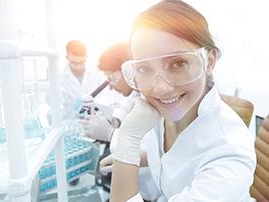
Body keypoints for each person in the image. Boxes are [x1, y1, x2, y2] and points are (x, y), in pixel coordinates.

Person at [110, 1, 256, 201]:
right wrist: (138, 158)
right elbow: (177, 158)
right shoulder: (165, 112)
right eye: (144, 68)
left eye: (178, 63)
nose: (161, 88)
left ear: (209, 61)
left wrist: (128, 140)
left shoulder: (229, 153)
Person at [80, 42, 161, 201]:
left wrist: (110, 134)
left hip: (155, 192)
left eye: (112, 78)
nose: (110, 86)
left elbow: (154, 148)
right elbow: (127, 106)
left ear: (128, 70)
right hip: (141, 189)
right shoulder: (137, 94)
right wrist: (116, 120)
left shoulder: (157, 99)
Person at [55, 40, 106, 121]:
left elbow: (105, 97)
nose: (78, 67)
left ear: (86, 57)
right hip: (70, 122)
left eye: (82, 62)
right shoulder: (59, 77)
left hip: (94, 120)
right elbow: (53, 102)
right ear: (67, 58)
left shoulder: (96, 73)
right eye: (74, 63)